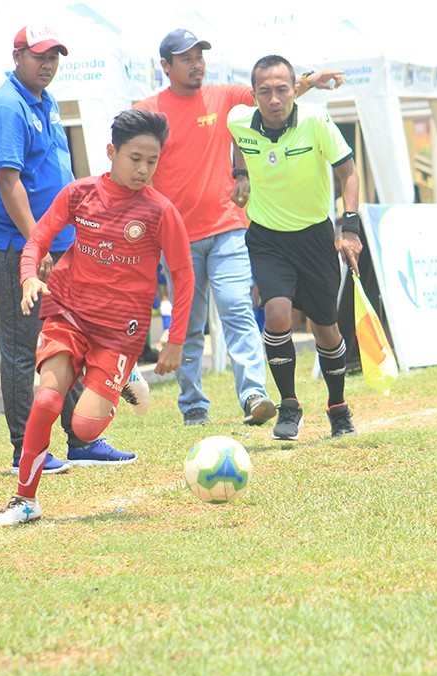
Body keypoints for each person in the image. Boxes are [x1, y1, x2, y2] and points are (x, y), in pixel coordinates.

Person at [0, 109, 193, 526]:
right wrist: (29, 277)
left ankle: (122, 378)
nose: (143, 169)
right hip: (69, 311)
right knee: (47, 398)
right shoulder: (79, 194)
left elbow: (183, 274)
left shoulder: (159, 211)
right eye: (135, 158)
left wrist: (175, 339)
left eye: (152, 161)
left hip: (120, 332)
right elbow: (38, 239)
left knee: (83, 429)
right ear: (111, 152)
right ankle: (24, 500)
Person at [133, 29, 343, 428]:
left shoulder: (224, 98)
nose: (197, 64)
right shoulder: (149, 111)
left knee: (238, 310)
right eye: (186, 58)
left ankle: (252, 395)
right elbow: (130, 156)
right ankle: (194, 404)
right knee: (189, 325)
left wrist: (310, 79)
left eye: (200, 56)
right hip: (177, 236)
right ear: (165, 66)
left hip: (228, 227)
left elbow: (274, 97)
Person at [0, 25, 136, 473]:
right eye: (39, 56)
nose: (47, 65)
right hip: (19, 249)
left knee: (68, 343)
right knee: (22, 347)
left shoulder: (45, 102)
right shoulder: (8, 107)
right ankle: (23, 449)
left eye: (54, 57)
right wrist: (37, 241)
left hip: (62, 246)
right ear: (17, 57)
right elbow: (9, 183)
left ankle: (81, 439)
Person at [227, 54, 361, 441]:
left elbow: (348, 172)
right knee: (277, 314)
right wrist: (240, 173)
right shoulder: (238, 119)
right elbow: (238, 141)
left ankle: (337, 405)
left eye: (282, 90)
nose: (274, 99)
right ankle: (290, 405)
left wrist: (348, 227)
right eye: (264, 91)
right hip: (267, 237)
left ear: (293, 92)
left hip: (315, 237)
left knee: (326, 329)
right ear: (253, 95)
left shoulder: (316, 121)